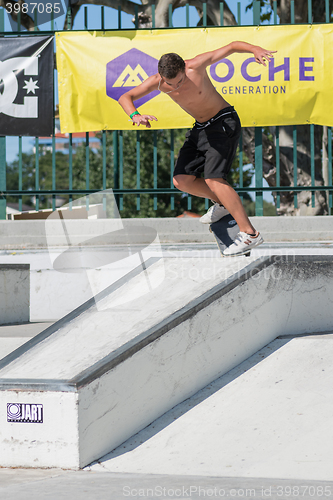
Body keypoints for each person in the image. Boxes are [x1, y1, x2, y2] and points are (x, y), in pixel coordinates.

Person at [118, 41, 276, 256]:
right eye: (169, 84)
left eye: (179, 81)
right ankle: (222, 202)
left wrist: (255, 50)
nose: (175, 87)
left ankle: (250, 234)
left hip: (223, 122)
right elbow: (125, 97)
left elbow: (231, 46)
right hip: (201, 128)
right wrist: (135, 115)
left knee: (214, 178)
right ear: (161, 76)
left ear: (184, 68)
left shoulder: (197, 65)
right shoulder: (157, 82)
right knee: (181, 180)